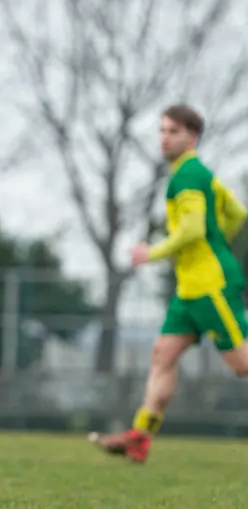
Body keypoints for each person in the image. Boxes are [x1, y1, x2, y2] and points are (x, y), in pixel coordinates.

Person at [90, 104, 248, 462]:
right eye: (161, 130)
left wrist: (152, 253)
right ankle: (140, 436)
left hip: (210, 286)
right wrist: (217, 241)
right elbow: (237, 213)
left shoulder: (187, 174)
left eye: (173, 131)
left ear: (192, 137)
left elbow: (192, 230)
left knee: (242, 365)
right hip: (189, 290)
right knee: (163, 354)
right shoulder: (197, 173)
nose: (164, 138)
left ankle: (140, 436)